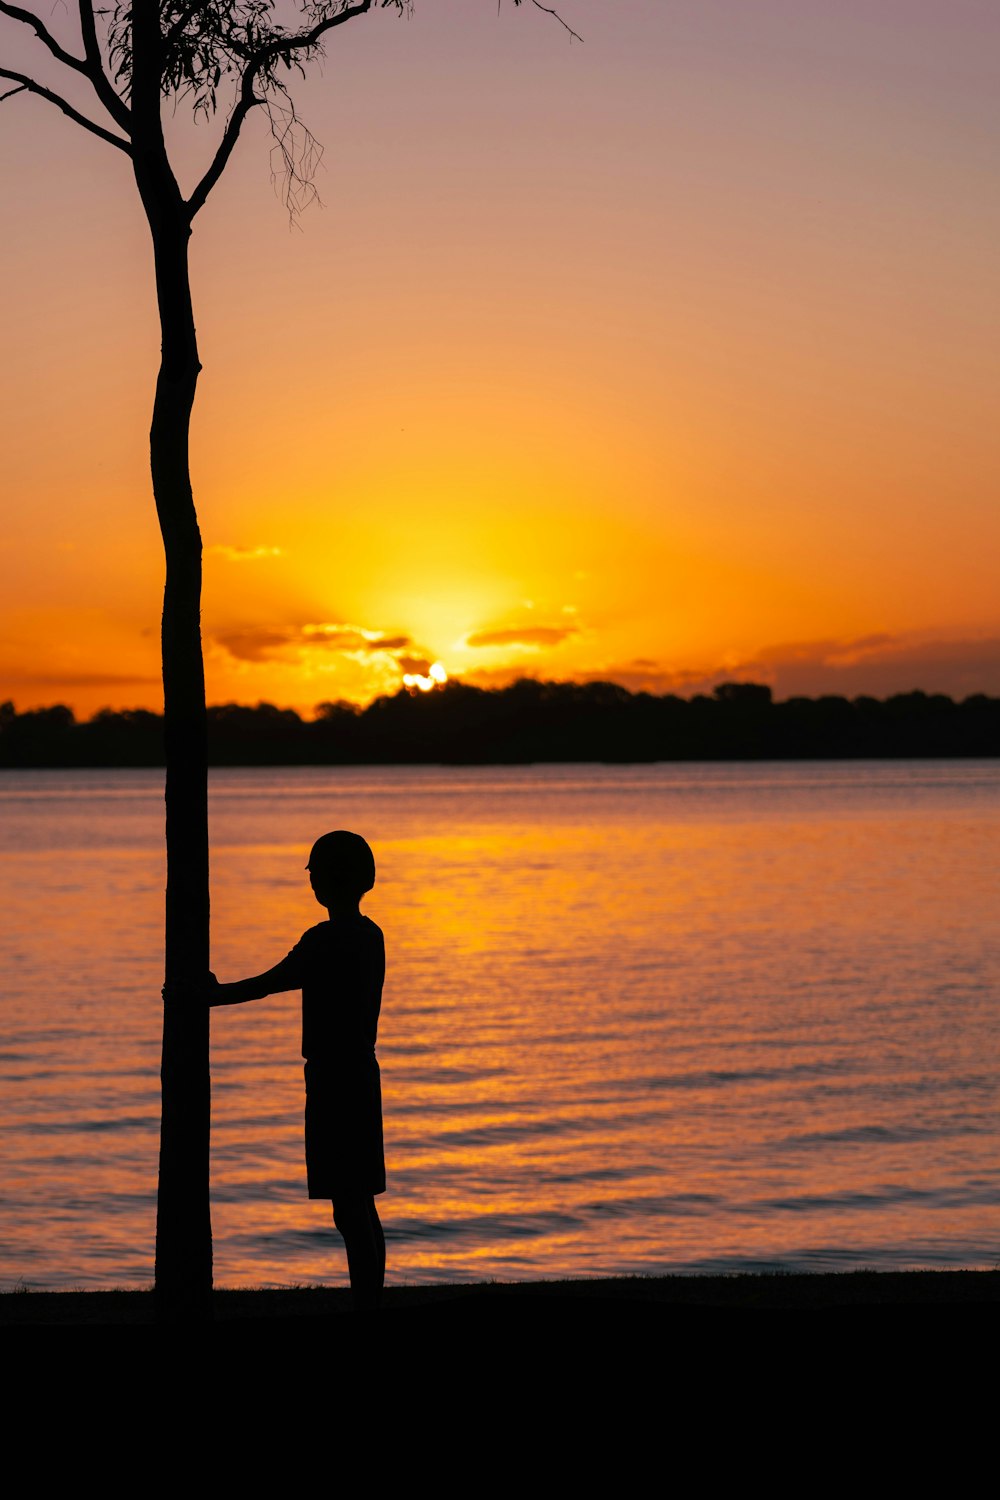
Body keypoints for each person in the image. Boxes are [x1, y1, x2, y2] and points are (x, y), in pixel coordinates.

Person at [207, 829, 386, 1309]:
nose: (312, 884)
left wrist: (213, 995)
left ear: (326, 881)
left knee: (348, 1207)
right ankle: (371, 1296)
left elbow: (271, 983)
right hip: (363, 1075)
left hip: (333, 1079)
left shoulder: (324, 940)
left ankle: (366, 1302)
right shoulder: (371, 935)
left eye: (316, 874)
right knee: (361, 1199)